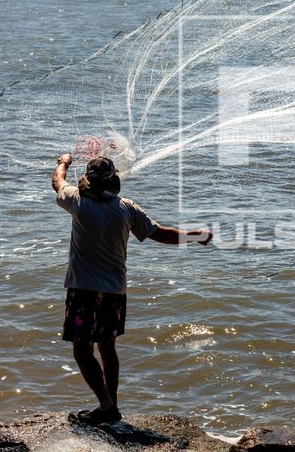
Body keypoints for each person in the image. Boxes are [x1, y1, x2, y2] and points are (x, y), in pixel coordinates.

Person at [52, 152, 212, 425]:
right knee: (107, 347)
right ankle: (111, 405)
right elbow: (161, 234)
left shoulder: (76, 201)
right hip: (115, 290)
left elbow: (57, 181)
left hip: (84, 289)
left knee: (82, 351)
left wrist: (63, 162)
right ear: (114, 181)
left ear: (87, 180)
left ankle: (105, 405)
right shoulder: (126, 208)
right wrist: (196, 235)